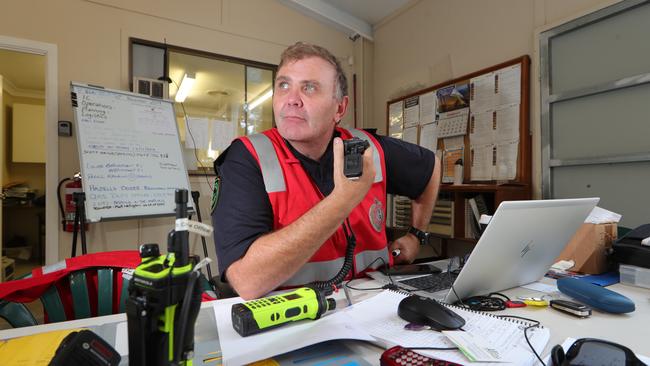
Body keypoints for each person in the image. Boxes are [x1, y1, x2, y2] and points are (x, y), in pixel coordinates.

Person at [212, 42, 441, 299]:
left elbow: (431, 167)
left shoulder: (370, 149)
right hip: (294, 322)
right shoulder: (246, 159)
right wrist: (343, 200)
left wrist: (416, 235)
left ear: (339, 108)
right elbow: (247, 281)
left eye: (309, 88)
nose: (291, 100)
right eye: (283, 85)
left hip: (378, 308)